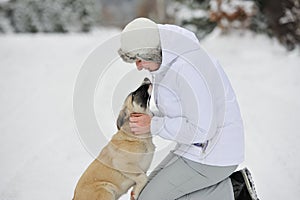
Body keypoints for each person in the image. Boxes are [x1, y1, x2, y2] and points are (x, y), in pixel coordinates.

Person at [118, 18, 258, 200]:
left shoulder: (188, 70)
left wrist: (154, 125)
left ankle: (234, 191)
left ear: (152, 52)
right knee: (142, 194)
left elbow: (202, 129)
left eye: (139, 59)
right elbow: (182, 114)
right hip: (192, 149)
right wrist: (147, 119)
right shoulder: (166, 63)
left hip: (213, 155)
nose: (138, 67)